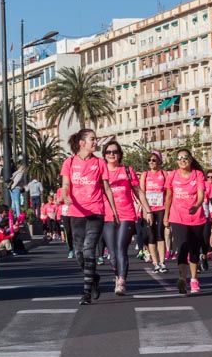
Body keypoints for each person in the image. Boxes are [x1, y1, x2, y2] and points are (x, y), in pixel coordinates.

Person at [59, 128, 120, 305]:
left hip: (95, 212)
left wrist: (114, 211)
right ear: (82, 143)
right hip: (76, 213)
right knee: (78, 254)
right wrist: (65, 194)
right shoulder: (69, 163)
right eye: (92, 139)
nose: (96, 142)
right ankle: (93, 277)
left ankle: (86, 293)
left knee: (88, 249)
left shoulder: (100, 163)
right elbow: (65, 183)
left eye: (96, 139)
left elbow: (107, 188)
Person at [101, 140, 148, 296]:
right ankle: (117, 274)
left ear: (120, 154)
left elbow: (138, 191)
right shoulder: (101, 172)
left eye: (115, 152)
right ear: (104, 155)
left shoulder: (127, 170)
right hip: (107, 216)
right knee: (112, 254)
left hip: (126, 214)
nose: (112, 154)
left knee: (121, 248)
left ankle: (121, 280)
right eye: (108, 152)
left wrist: (148, 210)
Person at [166, 149, 207, 294]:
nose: (182, 160)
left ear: (190, 159)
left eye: (185, 158)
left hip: (196, 217)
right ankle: (183, 278)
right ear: (177, 161)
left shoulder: (198, 174)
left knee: (194, 249)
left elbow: (201, 195)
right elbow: (169, 196)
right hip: (178, 217)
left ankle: (194, 279)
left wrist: (196, 205)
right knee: (182, 247)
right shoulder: (172, 175)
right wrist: (166, 216)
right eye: (179, 158)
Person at [141, 152, 169, 273]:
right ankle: (155, 263)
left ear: (159, 161)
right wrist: (145, 210)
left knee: (160, 234)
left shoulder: (164, 174)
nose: (151, 162)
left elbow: (168, 192)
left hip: (161, 208)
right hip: (149, 210)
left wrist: (168, 210)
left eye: (154, 160)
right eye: (149, 160)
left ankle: (162, 262)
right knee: (151, 236)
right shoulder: (145, 175)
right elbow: (141, 193)